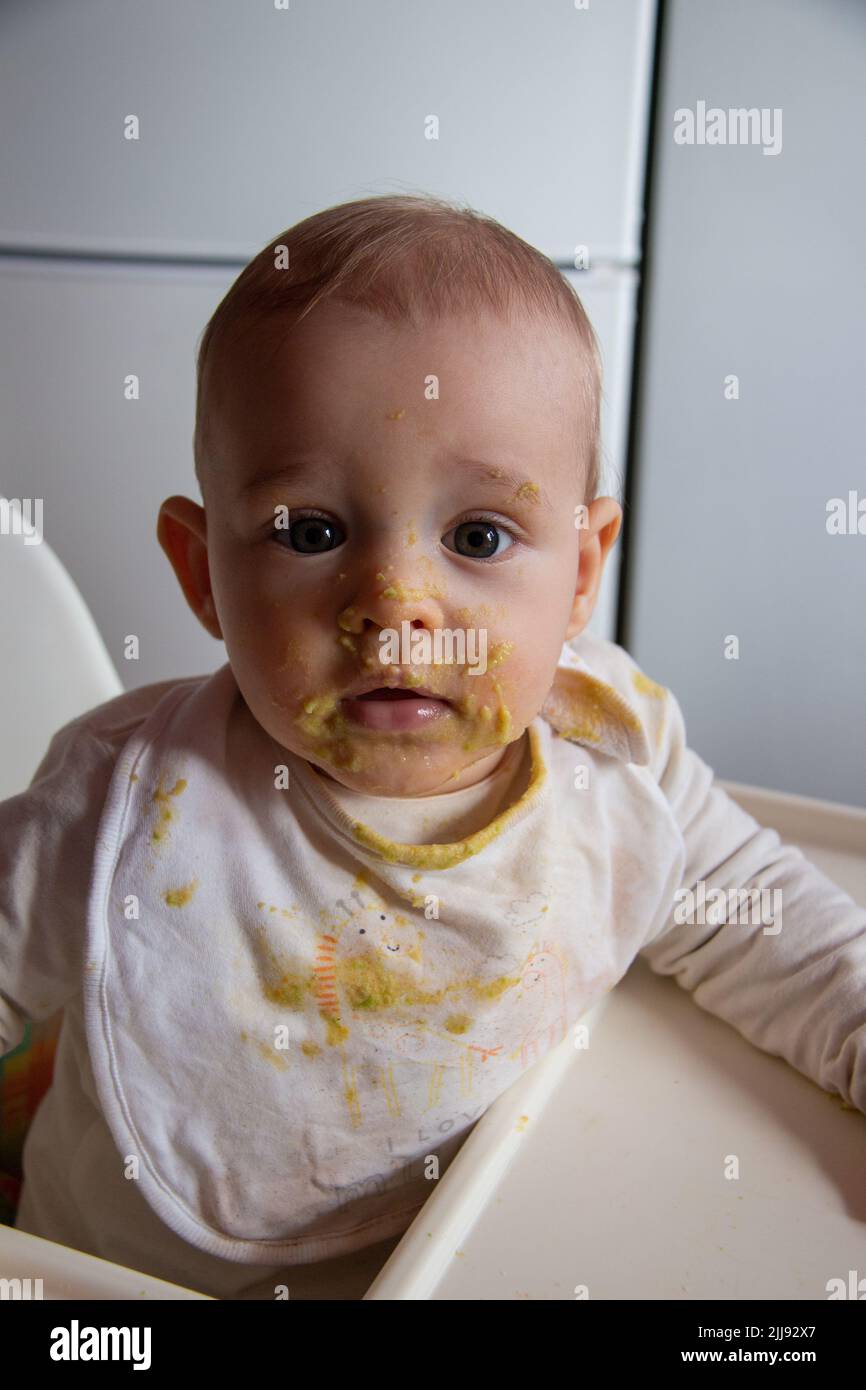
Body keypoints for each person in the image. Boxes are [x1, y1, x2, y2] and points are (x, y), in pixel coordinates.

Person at [3, 194, 864, 1299]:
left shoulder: (611, 764)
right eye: (311, 532)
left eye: (477, 536)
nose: (399, 604)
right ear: (200, 569)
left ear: (581, 570)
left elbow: (763, 919)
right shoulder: (124, 808)